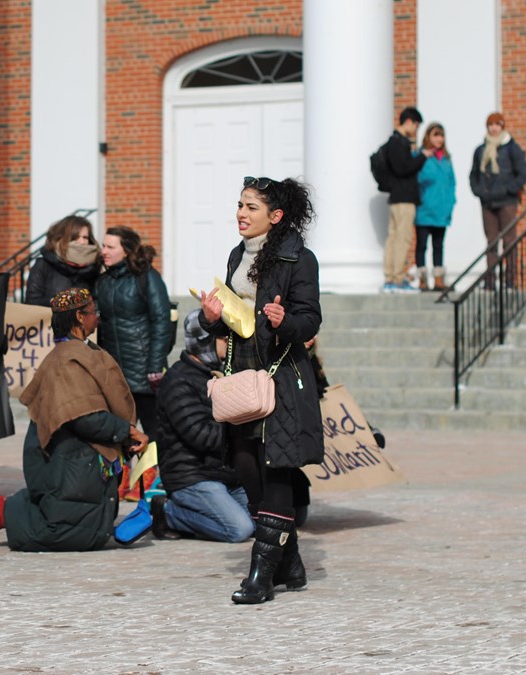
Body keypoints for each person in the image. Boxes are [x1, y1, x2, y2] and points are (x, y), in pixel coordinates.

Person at [197, 176, 323, 605]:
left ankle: (262, 573)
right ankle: (290, 562)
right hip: (243, 375)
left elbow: (310, 321)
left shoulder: (298, 259)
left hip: (281, 376)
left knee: (276, 469)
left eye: (250, 207)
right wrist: (213, 317)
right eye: (239, 205)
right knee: (247, 465)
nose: (240, 214)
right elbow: (235, 319)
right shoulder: (238, 255)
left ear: (276, 216)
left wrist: (282, 321)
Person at [0, 288, 149, 552]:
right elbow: (84, 417)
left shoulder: (83, 351)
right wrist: (125, 431)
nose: (98, 317)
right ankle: (5, 510)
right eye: (93, 312)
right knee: (68, 533)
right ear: (80, 317)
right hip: (69, 460)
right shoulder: (66, 360)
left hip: (84, 458)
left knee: (93, 532)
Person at [149, 310, 253, 543]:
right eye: (223, 339)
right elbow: (200, 435)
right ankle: (168, 513)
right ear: (204, 340)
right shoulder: (178, 380)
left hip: (223, 473)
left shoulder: (218, 374)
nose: (229, 345)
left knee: (262, 520)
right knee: (239, 529)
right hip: (191, 475)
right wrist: (244, 430)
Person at [94, 226, 173, 434]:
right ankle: (127, 468)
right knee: (119, 433)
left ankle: (153, 468)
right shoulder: (102, 281)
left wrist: (155, 365)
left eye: (110, 247)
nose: (104, 251)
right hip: (115, 372)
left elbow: (161, 321)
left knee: (153, 432)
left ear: (126, 250)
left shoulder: (147, 277)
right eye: (103, 246)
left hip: (145, 372)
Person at [470, 112, 526, 286]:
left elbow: (523, 174)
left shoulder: (512, 148)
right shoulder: (481, 150)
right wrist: (479, 191)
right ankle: (490, 280)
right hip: (487, 201)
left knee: (509, 241)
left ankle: (510, 279)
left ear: (502, 126)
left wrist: (508, 189)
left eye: (497, 125)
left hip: (507, 202)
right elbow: (474, 175)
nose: (493, 128)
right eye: (491, 125)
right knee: (491, 242)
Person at [381, 107, 431, 293]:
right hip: (404, 199)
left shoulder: (394, 142)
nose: (416, 130)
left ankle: (391, 278)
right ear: (409, 122)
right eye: (416, 125)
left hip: (397, 198)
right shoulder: (399, 142)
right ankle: (397, 278)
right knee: (402, 238)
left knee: (393, 238)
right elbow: (404, 169)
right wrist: (422, 157)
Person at [414, 122, 457, 292]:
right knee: (422, 245)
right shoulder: (420, 156)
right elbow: (417, 179)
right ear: (428, 137)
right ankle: (422, 279)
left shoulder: (446, 159)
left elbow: (452, 183)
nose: (439, 139)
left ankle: (439, 279)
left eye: (441, 135)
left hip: (442, 210)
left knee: (439, 245)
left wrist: (451, 202)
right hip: (424, 209)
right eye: (435, 135)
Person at [24, 215, 101, 306]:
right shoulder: (44, 265)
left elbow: (96, 302)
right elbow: (32, 301)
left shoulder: (93, 268)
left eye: (85, 237)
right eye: (75, 237)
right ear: (62, 238)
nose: (82, 242)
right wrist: (59, 302)